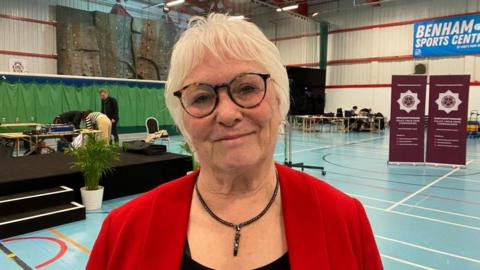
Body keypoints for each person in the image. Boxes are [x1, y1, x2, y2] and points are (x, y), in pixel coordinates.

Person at [87, 14, 383, 270]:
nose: (228, 114)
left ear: (279, 100)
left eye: (247, 88)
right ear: (182, 119)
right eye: (201, 97)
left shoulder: (345, 221)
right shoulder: (123, 232)